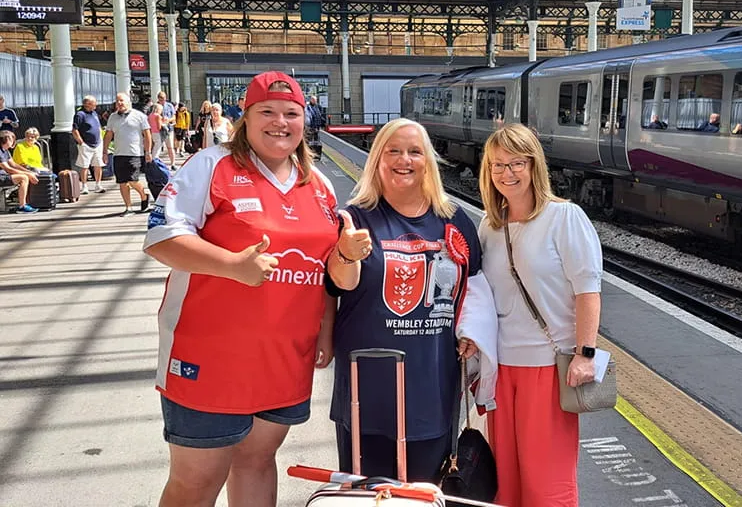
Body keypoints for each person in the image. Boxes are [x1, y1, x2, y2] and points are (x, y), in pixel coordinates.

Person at [143, 71, 358, 507]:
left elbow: (322, 268)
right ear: (246, 117)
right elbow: (161, 238)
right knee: (198, 479)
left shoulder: (317, 185)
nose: (280, 122)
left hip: (283, 355)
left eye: (291, 114)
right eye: (267, 112)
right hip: (210, 355)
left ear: (305, 120)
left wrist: (325, 327)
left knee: (257, 460)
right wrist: (233, 266)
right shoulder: (213, 164)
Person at [326, 117, 497, 482]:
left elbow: (476, 289)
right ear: (377, 160)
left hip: (431, 389)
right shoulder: (354, 218)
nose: (404, 159)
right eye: (393, 151)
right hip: (365, 390)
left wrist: (472, 332)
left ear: (428, 162)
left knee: (424, 493)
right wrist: (344, 253)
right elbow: (340, 283)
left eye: (414, 151)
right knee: (367, 498)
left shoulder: (454, 221)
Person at [477, 124, 602, 507]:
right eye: (498, 164)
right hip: (500, 367)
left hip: (549, 367)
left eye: (517, 162)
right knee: (506, 481)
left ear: (534, 166)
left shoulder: (564, 217)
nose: (507, 173)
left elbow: (588, 289)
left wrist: (585, 353)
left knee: (547, 482)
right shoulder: (489, 226)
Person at [102, 92, 153, 216]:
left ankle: (144, 195)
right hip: (118, 154)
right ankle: (128, 207)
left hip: (134, 153)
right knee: (122, 182)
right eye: (117, 101)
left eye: (122, 101)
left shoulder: (139, 116)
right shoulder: (113, 117)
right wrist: (104, 151)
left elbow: (147, 135)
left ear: (128, 102)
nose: (119, 103)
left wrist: (148, 151)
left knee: (132, 180)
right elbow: (108, 135)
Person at [72, 95, 106, 194]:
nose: (96, 105)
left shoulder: (94, 113)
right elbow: (74, 129)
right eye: (93, 103)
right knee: (84, 166)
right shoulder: (80, 114)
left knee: (98, 165)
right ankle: (84, 186)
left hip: (98, 143)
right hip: (86, 144)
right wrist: (81, 142)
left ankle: (98, 185)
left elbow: (98, 126)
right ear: (87, 104)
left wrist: (101, 138)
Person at [0, 130, 38, 213]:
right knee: (23, 178)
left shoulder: (5, 151)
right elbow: (8, 169)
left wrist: (28, 172)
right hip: (1, 177)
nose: (13, 141)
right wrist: (27, 174)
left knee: (26, 175)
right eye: (11, 139)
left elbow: (13, 164)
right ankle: (22, 205)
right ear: (6, 140)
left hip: (4, 175)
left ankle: (26, 203)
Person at [157, 91, 177, 170]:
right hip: (159, 129)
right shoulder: (155, 106)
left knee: (170, 147)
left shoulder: (169, 106)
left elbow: (174, 117)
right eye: (161, 98)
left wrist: (168, 120)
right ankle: (156, 164)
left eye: (164, 98)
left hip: (169, 129)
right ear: (158, 98)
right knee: (157, 147)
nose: (163, 100)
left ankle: (173, 163)